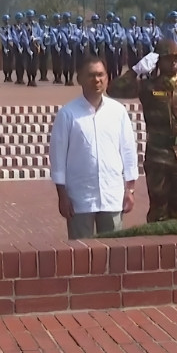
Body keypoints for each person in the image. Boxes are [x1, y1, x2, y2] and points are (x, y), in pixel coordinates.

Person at [108, 39, 177, 222]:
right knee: (158, 210)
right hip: (158, 155)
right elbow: (113, 89)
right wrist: (135, 70)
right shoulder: (148, 87)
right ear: (159, 61)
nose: (174, 62)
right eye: (168, 58)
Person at [48, 55, 139, 240]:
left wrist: (129, 190)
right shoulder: (68, 114)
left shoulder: (118, 112)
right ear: (80, 78)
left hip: (112, 195)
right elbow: (57, 159)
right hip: (80, 198)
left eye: (100, 75)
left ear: (107, 78)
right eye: (90, 75)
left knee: (114, 252)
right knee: (80, 255)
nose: (96, 80)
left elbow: (128, 152)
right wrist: (62, 196)